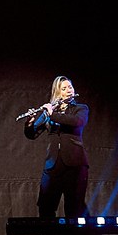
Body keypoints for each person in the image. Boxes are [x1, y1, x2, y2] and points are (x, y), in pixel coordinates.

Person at [25, 76, 91, 221]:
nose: (69, 90)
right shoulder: (50, 110)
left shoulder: (80, 108)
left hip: (75, 164)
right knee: (45, 206)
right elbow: (32, 134)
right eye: (64, 88)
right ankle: (48, 234)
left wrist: (52, 114)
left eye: (70, 87)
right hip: (53, 165)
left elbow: (77, 122)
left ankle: (76, 234)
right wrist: (29, 123)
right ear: (57, 92)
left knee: (74, 208)